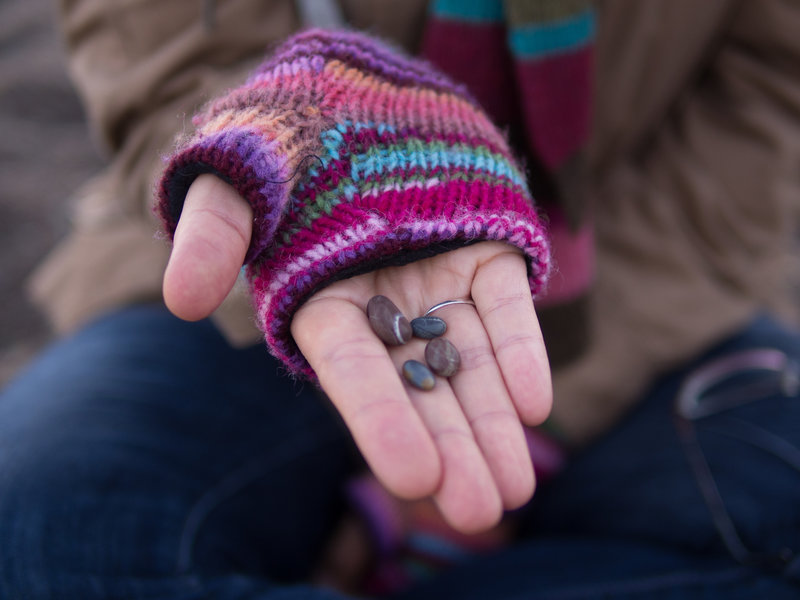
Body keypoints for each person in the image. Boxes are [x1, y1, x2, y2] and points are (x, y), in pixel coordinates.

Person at [1, 1, 799, 598]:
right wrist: (273, 144)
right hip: (253, 270)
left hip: (633, 286)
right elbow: (152, 40)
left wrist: (555, 404)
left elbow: (769, 104)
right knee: (43, 530)